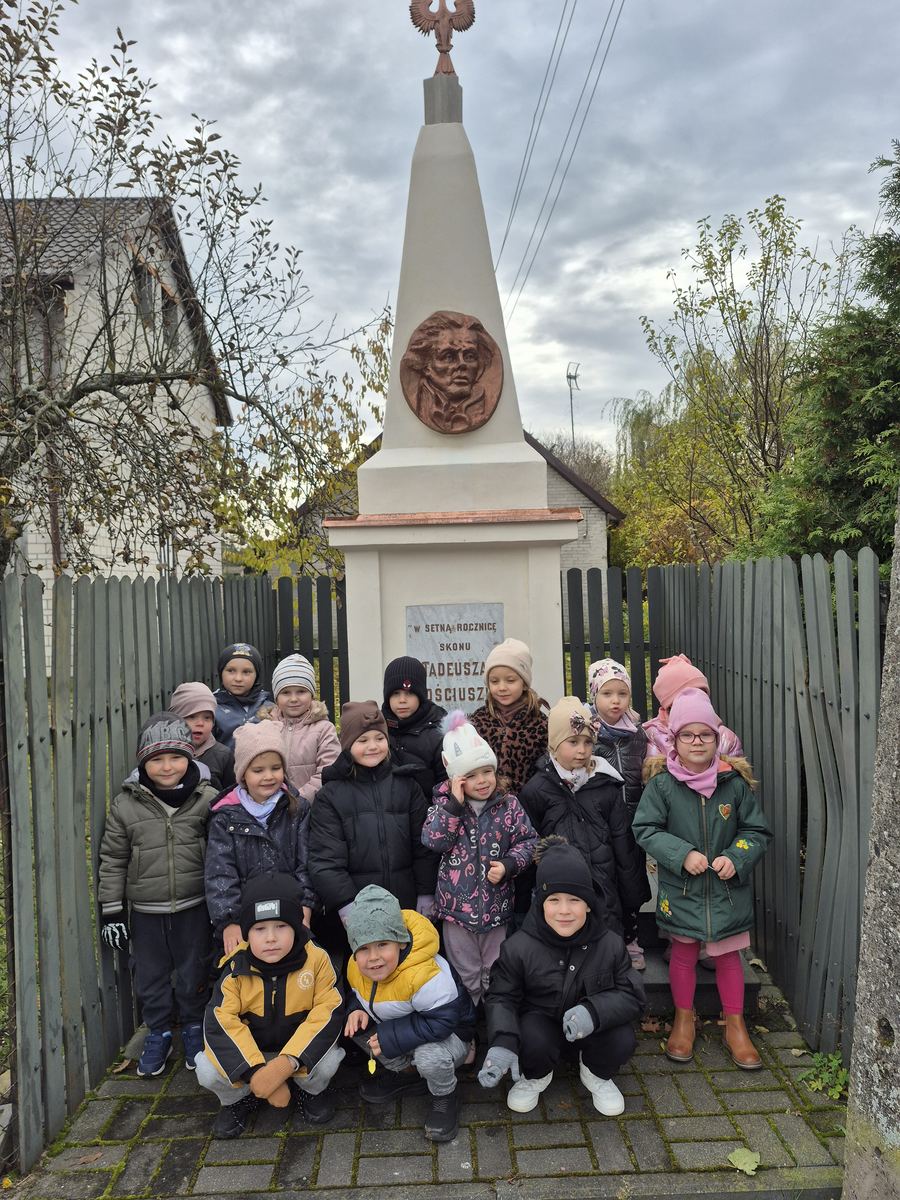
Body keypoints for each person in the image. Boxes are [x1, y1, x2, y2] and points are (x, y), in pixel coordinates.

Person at [633, 688, 772, 1069]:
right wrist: (682, 854)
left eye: (705, 734)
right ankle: (683, 1020)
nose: (697, 742)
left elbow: (755, 831)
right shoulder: (662, 785)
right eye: (688, 734)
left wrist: (736, 857)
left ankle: (735, 1025)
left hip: (727, 891)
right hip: (683, 890)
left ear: (717, 738)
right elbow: (645, 828)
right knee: (683, 954)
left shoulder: (734, 785)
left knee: (728, 956)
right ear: (674, 739)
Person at [478, 839, 644, 1115]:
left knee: (622, 1038)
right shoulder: (518, 947)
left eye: (574, 900)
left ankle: (595, 1072)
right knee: (531, 1039)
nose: (564, 910)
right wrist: (502, 1042)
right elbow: (501, 997)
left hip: (591, 1029)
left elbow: (632, 994)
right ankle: (536, 1075)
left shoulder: (610, 944)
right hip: (541, 1025)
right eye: (554, 900)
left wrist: (594, 1012)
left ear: (589, 904)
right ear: (540, 904)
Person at [98, 714, 217, 1078]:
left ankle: (194, 1025)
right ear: (143, 763)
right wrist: (112, 911)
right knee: (150, 975)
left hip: (194, 906)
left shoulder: (207, 798)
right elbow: (113, 859)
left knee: (194, 969)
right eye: (157, 759)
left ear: (189, 758)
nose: (167, 767)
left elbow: (221, 853)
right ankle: (159, 1031)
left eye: (176, 757)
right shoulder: (126, 805)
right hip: (146, 911)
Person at [196, 873, 345, 1139]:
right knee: (205, 1068)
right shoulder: (235, 967)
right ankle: (238, 1098)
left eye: (281, 926)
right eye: (260, 929)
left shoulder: (317, 960)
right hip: (254, 1054)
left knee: (329, 1060)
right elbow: (220, 1022)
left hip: (295, 1055)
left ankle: (309, 1090)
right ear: (247, 933)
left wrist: (286, 1064)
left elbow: (328, 1012)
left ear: (297, 927)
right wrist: (255, 1073)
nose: (271, 938)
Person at [343, 885, 476, 1143]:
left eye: (383, 944)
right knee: (357, 1028)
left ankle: (445, 1096)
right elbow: (360, 994)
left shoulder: (425, 974)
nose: (373, 957)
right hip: (405, 1031)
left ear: (401, 941)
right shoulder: (355, 967)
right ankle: (409, 1076)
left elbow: (443, 1022)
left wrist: (390, 1037)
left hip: (451, 1036)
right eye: (363, 948)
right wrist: (355, 1009)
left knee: (429, 1056)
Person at [421, 711, 536, 1008]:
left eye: (486, 771)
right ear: (455, 779)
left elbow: (528, 841)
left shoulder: (508, 805)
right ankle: (469, 1022)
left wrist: (510, 865)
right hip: (456, 913)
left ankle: (496, 1018)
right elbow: (434, 841)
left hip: (497, 909)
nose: (482, 781)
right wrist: (454, 806)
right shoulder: (443, 806)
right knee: (465, 973)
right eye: (470, 776)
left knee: (496, 970)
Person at [519, 698, 649, 936]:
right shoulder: (536, 791)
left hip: (604, 896)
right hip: (558, 898)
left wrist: (632, 898)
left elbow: (623, 844)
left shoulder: (606, 785)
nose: (582, 750)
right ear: (554, 744)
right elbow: (528, 845)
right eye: (573, 742)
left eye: (588, 742)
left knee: (606, 948)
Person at [308, 702, 438, 935]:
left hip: (406, 905)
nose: (373, 746)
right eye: (362, 740)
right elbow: (326, 860)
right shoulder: (331, 796)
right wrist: (346, 904)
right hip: (358, 909)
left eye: (379, 738)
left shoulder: (407, 786)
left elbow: (424, 846)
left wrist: (426, 892)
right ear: (348, 745)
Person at [205, 722, 316, 957]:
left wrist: (305, 905)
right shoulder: (225, 816)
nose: (268, 776)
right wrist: (229, 921)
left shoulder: (297, 809)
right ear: (243, 774)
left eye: (275, 768)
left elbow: (306, 862)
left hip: (290, 914)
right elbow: (220, 872)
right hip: (247, 920)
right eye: (258, 770)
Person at [588, 659, 649, 969]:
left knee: (631, 881)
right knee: (605, 882)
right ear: (594, 695)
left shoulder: (638, 733)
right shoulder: (589, 732)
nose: (615, 701)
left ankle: (632, 939)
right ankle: (606, 941)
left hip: (633, 821)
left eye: (622, 694)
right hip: (601, 823)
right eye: (607, 693)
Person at [471, 638, 547, 795]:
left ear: (524, 683)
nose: (502, 687)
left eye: (510, 680)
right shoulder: (478, 721)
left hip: (528, 803)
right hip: (487, 804)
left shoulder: (540, 724)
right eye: (494, 681)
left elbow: (546, 770)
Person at [266, 653, 340, 801]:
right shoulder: (266, 728)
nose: (293, 699)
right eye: (285, 692)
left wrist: (299, 800)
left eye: (301, 691)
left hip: (314, 806)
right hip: (271, 806)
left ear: (312, 695)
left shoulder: (324, 729)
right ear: (276, 697)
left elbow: (328, 771)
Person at [643, 654, 743, 759]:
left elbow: (734, 767)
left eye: (700, 692)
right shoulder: (655, 735)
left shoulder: (726, 738)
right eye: (686, 695)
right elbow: (654, 767)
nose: (694, 698)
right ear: (669, 703)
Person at [382, 656, 447, 797]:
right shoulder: (378, 729)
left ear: (421, 696)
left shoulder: (438, 733)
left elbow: (446, 785)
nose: (402, 700)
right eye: (395, 693)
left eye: (409, 693)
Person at [168, 681, 235, 790]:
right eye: (191, 716)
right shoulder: (162, 752)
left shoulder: (223, 755)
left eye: (207, 717)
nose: (200, 723)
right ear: (176, 719)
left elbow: (231, 794)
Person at [213, 642, 271, 749]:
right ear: (221, 672)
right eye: (231, 671)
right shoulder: (211, 707)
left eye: (246, 672)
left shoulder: (269, 707)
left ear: (256, 675)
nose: (238, 678)